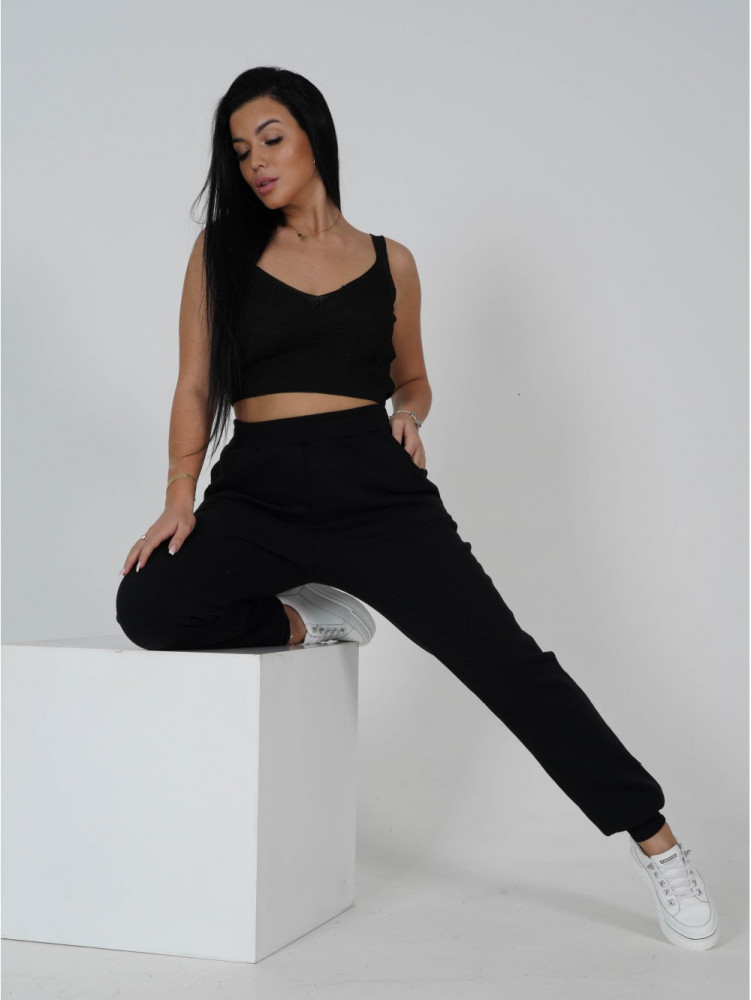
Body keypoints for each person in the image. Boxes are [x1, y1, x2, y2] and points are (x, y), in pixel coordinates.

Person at [115, 66, 718, 951]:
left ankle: (655, 841)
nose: (255, 163)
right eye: (239, 151)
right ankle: (306, 619)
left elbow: (415, 377)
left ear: (314, 136)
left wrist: (411, 414)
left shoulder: (389, 261)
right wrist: (178, 495)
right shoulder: (221, 253)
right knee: (149, 604)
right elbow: (195, 383)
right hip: (257, 488)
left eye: (271, 139)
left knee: (508, 665)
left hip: (375, 491)